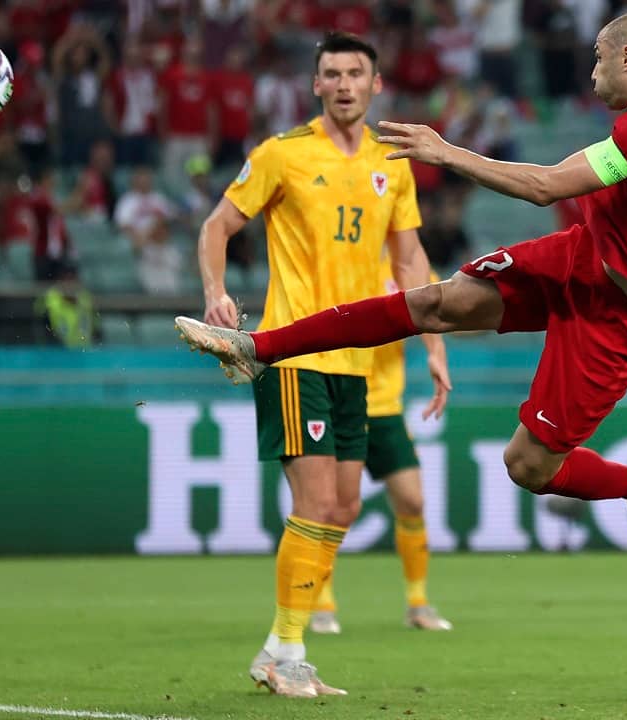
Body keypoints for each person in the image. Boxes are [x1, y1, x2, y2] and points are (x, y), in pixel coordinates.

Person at [176, 11, 627, 551]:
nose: (591, 72)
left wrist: (446, 151)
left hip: (623, 318)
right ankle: (256, 349)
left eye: (598, 59)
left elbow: (544, 188)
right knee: (437, 302)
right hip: (586, 255)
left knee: (527, 466)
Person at [181, 32, 449, 699]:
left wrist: (435, 342)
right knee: (318, 501)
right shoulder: (282, 155)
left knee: (348, 504)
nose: (345, 83)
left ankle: (277, 646)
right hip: (294, 352)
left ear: (376, 84)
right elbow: (216, 225)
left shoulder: (395, 160)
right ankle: (292, 652)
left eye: (357, 72)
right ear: (316, 86)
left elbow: (410, 260)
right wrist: (216, 292)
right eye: (332, 73)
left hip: (359, 362)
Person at [310, 261, 452, 635]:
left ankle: (418, 603)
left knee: (413, 502)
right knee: (336, 509)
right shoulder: (341, 258)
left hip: (386, 407)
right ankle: (321, 602)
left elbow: (443, 307)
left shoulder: (407, 266)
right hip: (341, 401)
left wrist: (441, 349)